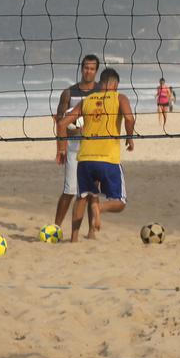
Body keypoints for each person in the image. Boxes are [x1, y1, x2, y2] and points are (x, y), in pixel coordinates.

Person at [57, 67, 135, 242]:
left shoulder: (87, 100)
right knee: (120, 202)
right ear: (115, 84)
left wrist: (62, 148)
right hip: (108, 158)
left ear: (101, 83)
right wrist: (129, 138)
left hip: (85, 159)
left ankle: (74, 239)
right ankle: (100, 208)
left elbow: (62, 124)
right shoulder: (120, 97)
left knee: (82, 198)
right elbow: (130, 118)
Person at [52, 54, 100, 237]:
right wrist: (60, 149)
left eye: (92, 68)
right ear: (81, 69)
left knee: (91, 191)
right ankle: (56, 228)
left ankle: (91, 232)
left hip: (94, 146)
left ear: (96, 71)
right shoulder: (69, 92)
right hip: (73, 146)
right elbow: (60, 121)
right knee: (70, 189)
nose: (88, 71)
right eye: (86, 67)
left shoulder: (101, 92)